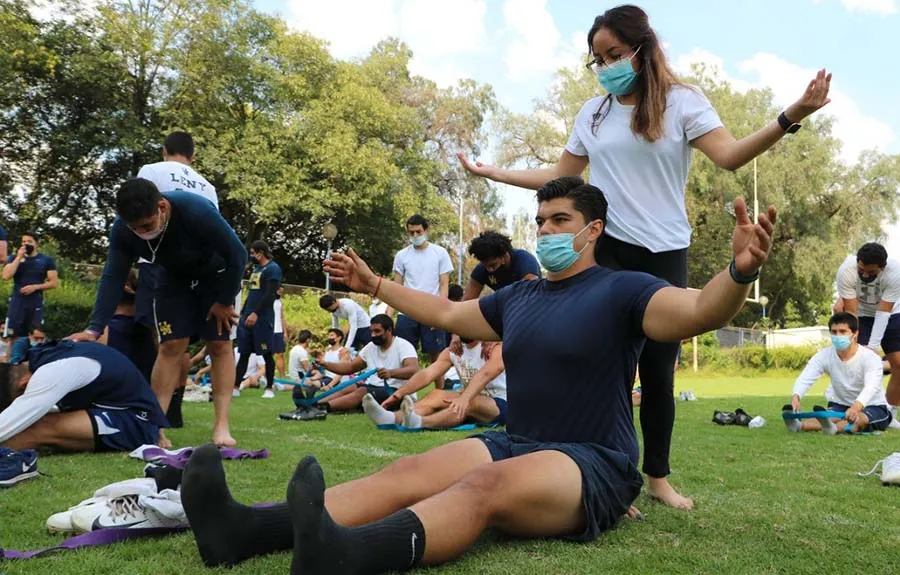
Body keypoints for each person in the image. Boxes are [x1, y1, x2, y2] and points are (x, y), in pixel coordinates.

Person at [178, 176, 776, 572]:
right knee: (410, 470)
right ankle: (243, 532)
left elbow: (699, 311)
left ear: (592, 231)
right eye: (539, 220)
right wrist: (377, 285)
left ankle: (346, 555)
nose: (545, 231)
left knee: (478, 491)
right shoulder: (519, 296)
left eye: (560, 220)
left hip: (593, 460)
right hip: (518, 443)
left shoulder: (626, 291)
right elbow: (442, 311)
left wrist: (739, 271)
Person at [457, 5, 829, 510]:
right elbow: (560, 175)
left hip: (665, 250)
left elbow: (731, 155)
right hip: (610, 249)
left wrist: (793, 116)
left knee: (658, 372)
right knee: (603, 367)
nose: (606, 65)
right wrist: (496, 174)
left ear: (642, 48)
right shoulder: (593, 113)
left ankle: (656, 477)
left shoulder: (682, 102)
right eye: (598, 58)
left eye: (614, 54)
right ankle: (604, 472)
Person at [67, 178, 247, 448]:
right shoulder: (123, 231)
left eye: (147, 226)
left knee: (220, 343)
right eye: (134, 228)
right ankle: (155, 427)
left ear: (162, 207)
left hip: (216, 276)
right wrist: (95, 328)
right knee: (171, 345)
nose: (141, 232)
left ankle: (221, 425)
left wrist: (224, 301)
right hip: (173, 278)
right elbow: (113, 276)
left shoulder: (196, 210)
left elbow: (238, 255)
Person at [134, 131, 218, 424]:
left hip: (158, 263)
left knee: (161, 339)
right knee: (180, 340)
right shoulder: (207, 186)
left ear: (164, 150)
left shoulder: (152, 171)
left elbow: (136, 211)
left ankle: (154, 408)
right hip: (196, 270)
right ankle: (174, 408)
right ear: (193, 156)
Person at [0, 340, 168, 452]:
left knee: (34, 426)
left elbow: (14, 419)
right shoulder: (41, 357)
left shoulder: (51, 373)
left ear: (24, 384)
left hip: (137, 422)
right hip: (117, 408)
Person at [363, 339, 506, 430]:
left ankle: (421, 422)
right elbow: (427, 374)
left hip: (502, 403)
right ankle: (391, 418)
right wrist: (398, 394)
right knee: (436, 394)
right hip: (469, 397)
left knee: (470, 402)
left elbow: (488, 372)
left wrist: (464, 397)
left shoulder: (494, 346)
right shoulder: (454, 350)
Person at [786, 312, 892, 433]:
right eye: (834, 332)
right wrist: (796, 396)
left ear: (855, 334)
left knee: (858, 420)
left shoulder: (870, 358)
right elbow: (806, 377)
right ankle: (799, 425)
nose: (838, 336)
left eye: (843, 331)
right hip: (840, 404)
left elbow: (871, 387)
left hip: (873, 406)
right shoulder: (824, 356)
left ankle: (833, 428)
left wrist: (855, 407)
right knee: (826, 417)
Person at [835, 242, 900, 405]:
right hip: (861, 314)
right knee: (858, 365)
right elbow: (851, 312)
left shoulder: (895, 273)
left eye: (871, 272)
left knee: (899, 364)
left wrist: (872, 347)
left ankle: (889, 413)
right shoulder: (846, 271)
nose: (864, 275)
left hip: (892, 314)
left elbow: (883, 312)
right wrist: (854, 343)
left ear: (882, 268)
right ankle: (861, 409)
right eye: (861, 270)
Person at [314, 315, 418, 411]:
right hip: (374, 388)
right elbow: (350, 367)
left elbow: (413, 370)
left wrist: (391, 373)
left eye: (377, 331)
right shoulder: (370, 347)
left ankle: (321, 408)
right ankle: (313, 404)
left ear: (389, 330)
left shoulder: (403, 346)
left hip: (397, 392)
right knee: (349, 386)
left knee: (362, 391)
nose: (373, 335)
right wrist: (325, 364)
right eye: (371, 331)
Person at [388, 215, 453, 362]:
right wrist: (389, 314)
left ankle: (439, 385)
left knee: (436, 354)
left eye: (418, 232)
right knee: (403, 354)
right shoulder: (401, 255)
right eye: (411, 232)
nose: (415, 235)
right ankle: (404, 385)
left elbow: (444, 284)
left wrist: (440, 312)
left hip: (431, 310)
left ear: (426, 230)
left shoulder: (440, 252)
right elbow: (396, 287)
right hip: (406, 312)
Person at [234, 240, 282, 399]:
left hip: (263, 319)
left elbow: (270, 294)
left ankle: (269, 387)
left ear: (261, 253)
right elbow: (252, 293)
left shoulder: (273, 269)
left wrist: (256, 314)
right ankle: (235, 386)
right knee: (244, 352)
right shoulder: (256, 269)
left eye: (253, 253)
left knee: (266, 353)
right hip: (247, 318)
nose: (251, 256)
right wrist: (243, 313)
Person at [2, 232, 58, 339]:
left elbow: (53, 283)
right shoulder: (14, 258)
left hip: (35, 302)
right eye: (23, 242)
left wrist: (35, 287)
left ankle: (32, 355)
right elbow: (6, 276)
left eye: (29, 241)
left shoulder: (46, 260)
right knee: (12, 335)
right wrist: (18, 258)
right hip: (17, 302)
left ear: (36, 244)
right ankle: (12, 355)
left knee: (35, 335)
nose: (26, 244)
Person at [464, 231, 541, 300]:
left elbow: (530, 293)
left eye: (493, 265)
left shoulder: (525, 261)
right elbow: (467, 300)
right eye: (485, 265)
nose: (489, 270)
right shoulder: (482, 269)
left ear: (504, 255)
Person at [273, 287, 288, 378]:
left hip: (278, 331)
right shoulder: (267, 300)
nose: (280, 293)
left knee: (280, 354)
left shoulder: (280, 302)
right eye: (279, 291)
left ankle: (282, 377)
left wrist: (285, 332)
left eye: (282, 292)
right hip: (269, 331)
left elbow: (282, 317)